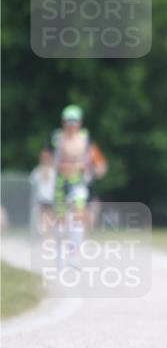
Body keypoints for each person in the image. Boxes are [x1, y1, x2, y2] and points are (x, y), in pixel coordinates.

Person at [51, 105, 107, 265]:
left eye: (74, 121)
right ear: (63, 122)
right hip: (61, 182)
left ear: (80, 122)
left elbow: (98, 159)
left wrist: (98, 167)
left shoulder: (86, 138)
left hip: (78, 183)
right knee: (60, 219)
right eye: (68, 120)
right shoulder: (56, 138)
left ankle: (73, 256)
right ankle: (60, 255)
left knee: (78, 217)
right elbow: (47, 159)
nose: (71, 124)